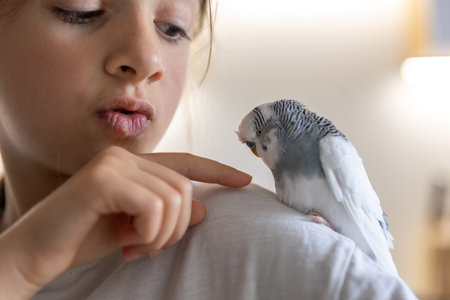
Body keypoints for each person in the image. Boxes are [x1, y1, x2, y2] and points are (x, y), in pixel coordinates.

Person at [0, 0, 417, 299]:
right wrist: (17, 264)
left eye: (172, 28)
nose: (147, 58)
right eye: (82, 9)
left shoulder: (279, 249)